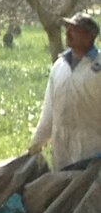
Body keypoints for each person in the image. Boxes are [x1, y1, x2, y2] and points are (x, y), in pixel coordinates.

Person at [29, 11, 101, 171]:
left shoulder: (99, 67)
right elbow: (49, 112)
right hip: (63, 151)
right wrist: (36, 145)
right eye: (67, 28)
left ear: (89, 36)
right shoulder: (59, 66)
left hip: (93, 152)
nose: (68, 33)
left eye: (74, 29)